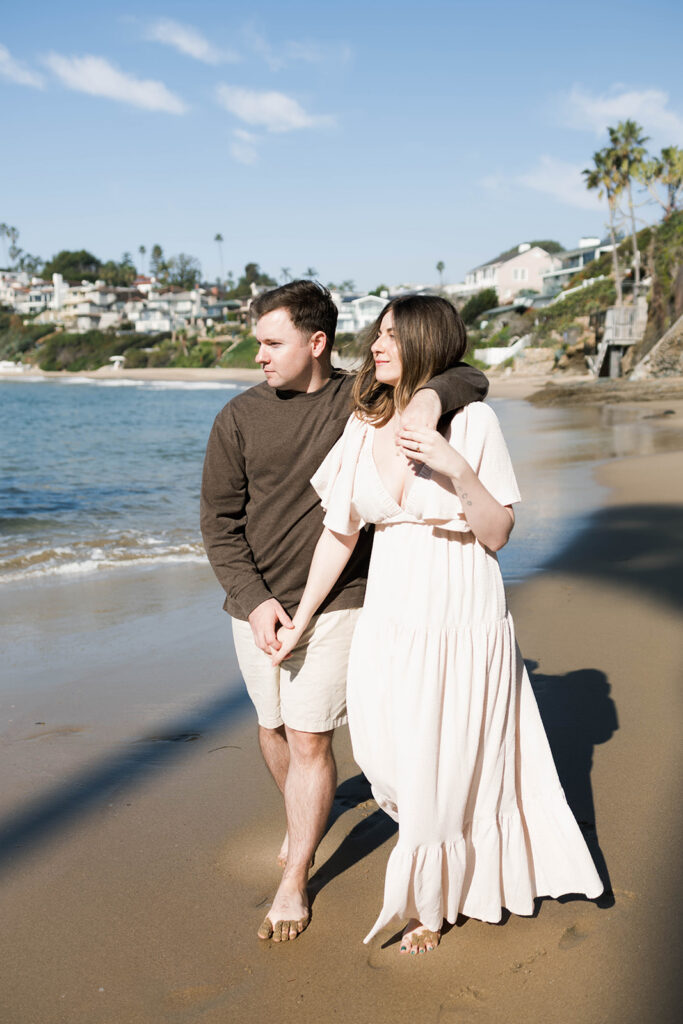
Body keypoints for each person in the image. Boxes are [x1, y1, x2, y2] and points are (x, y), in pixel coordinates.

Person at [271, 294, 604, 955]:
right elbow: (338, 536)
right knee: (383, 755)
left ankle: (433, 903)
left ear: (426, 342)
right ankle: (443, 863)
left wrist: (453, 467)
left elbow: (498, 531)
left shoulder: (472, 421)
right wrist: (301, 619)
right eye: (376, 335)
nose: (375, 346)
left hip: (458, 609)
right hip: (390, 612)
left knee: (442, 757)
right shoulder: (364, 427)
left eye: (392, 335)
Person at [200, 281, 489, 943]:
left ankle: (295, 875)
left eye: (273, 343)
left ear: (317, 343)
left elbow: (463, 372)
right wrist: (256, 603)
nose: (259, 356)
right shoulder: (237, 418)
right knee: (271, 726)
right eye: (259, 343)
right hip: (253, 606)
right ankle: (305, 819)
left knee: (309, 738)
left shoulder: (364, 397)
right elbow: (218, 526)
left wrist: (427, 398)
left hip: (338, 600)